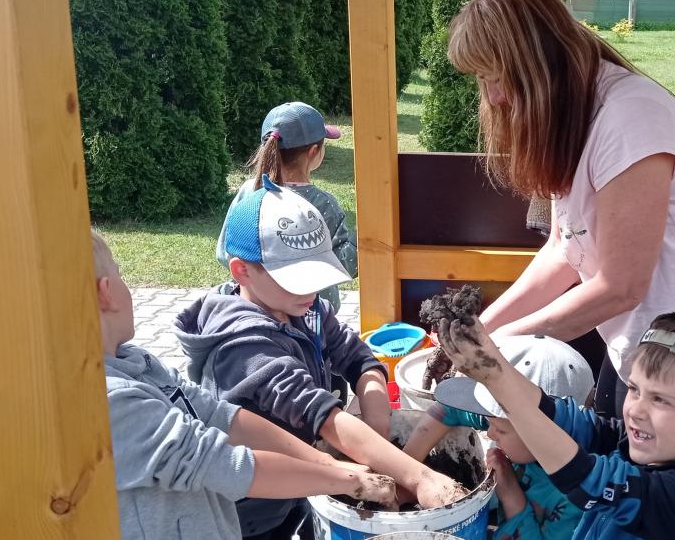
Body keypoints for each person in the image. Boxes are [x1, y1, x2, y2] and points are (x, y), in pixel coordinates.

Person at [445, 0, 675, 464]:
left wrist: (496, 352)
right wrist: (481, 330)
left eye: (495, 76)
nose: (494, 96)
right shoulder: (571, 117)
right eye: (482, 80)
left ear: (538, 65)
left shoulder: (632, 119)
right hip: (649, 350)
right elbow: (563, 251)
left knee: (666, 502)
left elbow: (620, 286)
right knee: (615, 488)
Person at [178, 178, 464, 539]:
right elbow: (322, 416)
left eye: (317, 275)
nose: (312, 291)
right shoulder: (243, 345)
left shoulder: (305, 308)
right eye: (296, 279)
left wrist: (377, 428)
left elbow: (359, 359)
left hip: (307, 477)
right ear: (242, 271)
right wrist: (419, 477)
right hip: (250, 506)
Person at [95, 230, 396, 540]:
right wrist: (349, 479)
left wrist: (332, 462)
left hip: (299, 483)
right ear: (106, 292)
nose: (311, 290)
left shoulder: (138, 361)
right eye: (120, 273)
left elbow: (220, 416)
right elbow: (227, 463)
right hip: (253, 511)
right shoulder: (113, 399)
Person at [433, 309, 675, 540]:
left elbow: (586, 479)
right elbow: (557, 415)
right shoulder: (638, 442)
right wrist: (492, 360)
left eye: (660, 400)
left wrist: (498, 381)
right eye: (634, 389)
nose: (636, 410)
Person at [404, 335, 594, 540]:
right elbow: (449, 408)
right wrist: (409, 470)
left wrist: (511, 495)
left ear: (545, 432)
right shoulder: (508, 421)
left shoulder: (578, 499)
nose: (489, 432)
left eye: (500, 430)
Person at [216, 101, 357, 314]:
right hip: (312, 317)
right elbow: (342, 266)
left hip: (255, 311)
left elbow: (224, 253)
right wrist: (361, 240)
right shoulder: (323, 204)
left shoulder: (249, 191)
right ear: (313, 151)